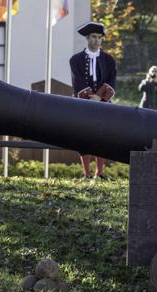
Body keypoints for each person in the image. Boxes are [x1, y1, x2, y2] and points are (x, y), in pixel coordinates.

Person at [69, 21, 116, 180]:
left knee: (102, 137)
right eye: (94, 37)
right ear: (88, 38)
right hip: (83, 104)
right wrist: (89, 97)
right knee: (84, 137)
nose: (97, 40)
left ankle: (100, 173)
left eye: (99, 37)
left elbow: (111, 80)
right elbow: (78, 81)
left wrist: (100, 97)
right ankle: (86, 174)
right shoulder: (76, 60)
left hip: (103, 105)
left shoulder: (109, 60)